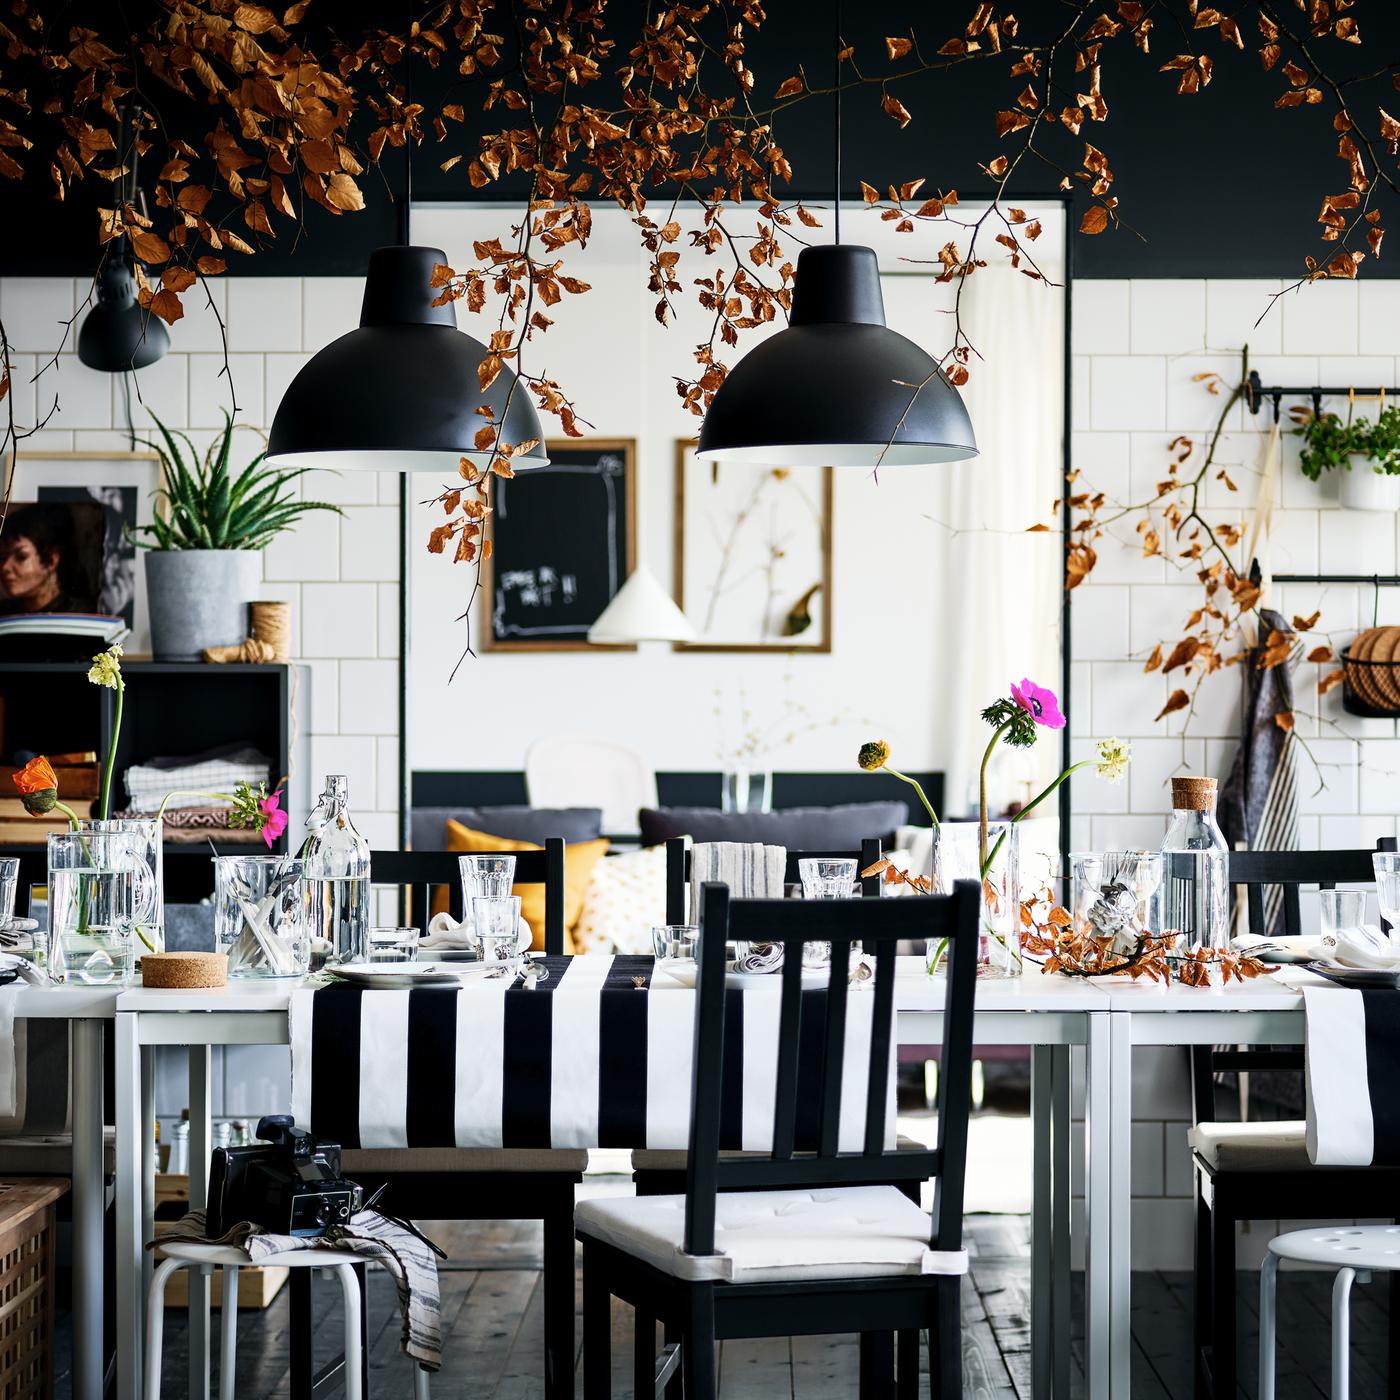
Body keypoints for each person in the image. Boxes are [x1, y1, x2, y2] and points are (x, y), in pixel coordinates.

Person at [0, 503, 93, 614]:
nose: (5, 567)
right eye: (3, 557)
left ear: (51, 560)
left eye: (21, 557)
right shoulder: (4, 614)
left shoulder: (81, 615)